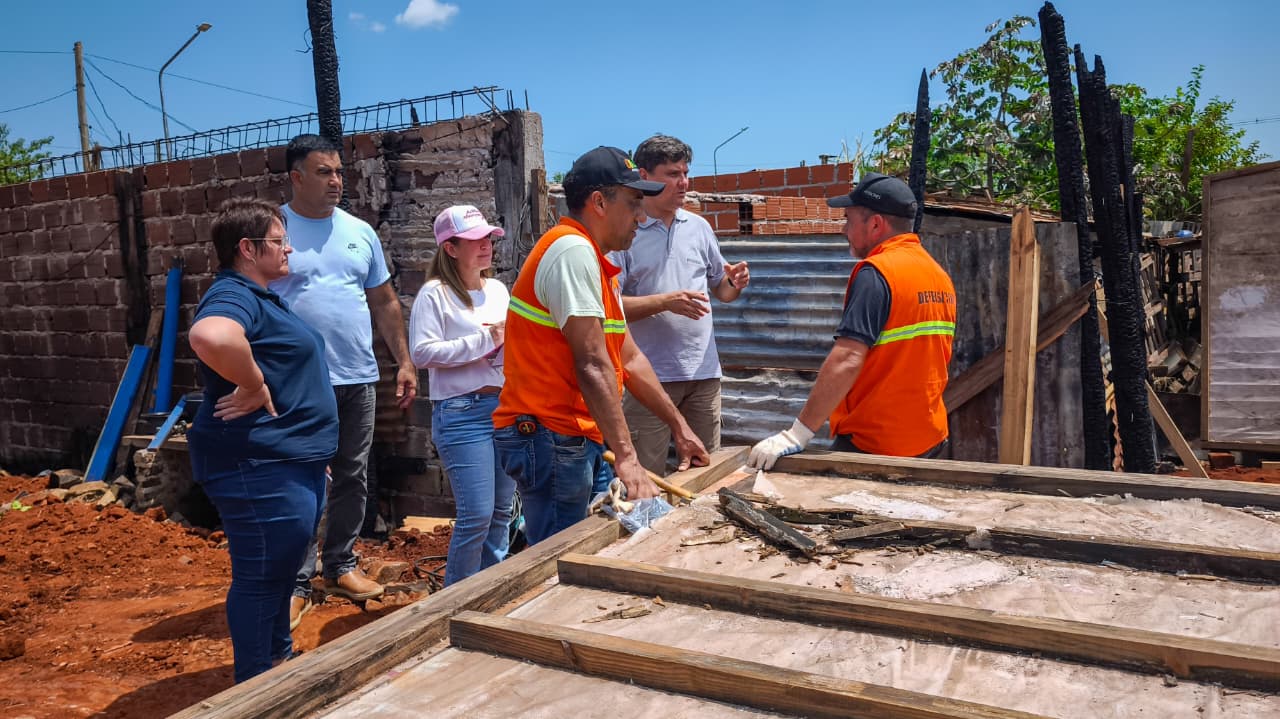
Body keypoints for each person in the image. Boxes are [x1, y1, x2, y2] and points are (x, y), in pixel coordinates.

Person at [493, 146, 711, 545]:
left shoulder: (598, 262)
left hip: (572, 435)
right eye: (632, 204)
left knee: (583, 543)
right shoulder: (572, 252)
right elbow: (591, 363)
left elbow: (629, 358)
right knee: (557, 559)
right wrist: (628, 458)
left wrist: (680, 428)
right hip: (551, 434)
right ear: (598, 202)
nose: (640, 217)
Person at [187, 198, 338, 683]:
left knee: (279, 569)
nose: (288, 248)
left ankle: (277, 661)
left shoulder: (264, 297)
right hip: (255, 464)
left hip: (289, 461)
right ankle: (255, 686)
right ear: (247, 249)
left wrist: (313, 456)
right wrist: (252, 384)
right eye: (278, 241)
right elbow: (211, 336)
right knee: (262, 575)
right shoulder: (233, 295)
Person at [269, 134, 418, 626]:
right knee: (302, 480)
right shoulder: (274, 231)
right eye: (323, 172)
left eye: (339, 171)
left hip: (357, 375)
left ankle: (339, 565)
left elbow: (384, 301)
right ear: (295, 177)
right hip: (298, 381)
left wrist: (404, 361)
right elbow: (250, 301)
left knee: (353, 473)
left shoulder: (359, 232)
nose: (336, 181)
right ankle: (294, 579)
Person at [748, 173, 956, 470]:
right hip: (928, 439)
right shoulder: (937, 274)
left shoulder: (877, 273)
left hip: (878, 444)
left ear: (874, 224)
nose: (844, 229)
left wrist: (797, 433)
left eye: (848, 219)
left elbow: (847, 358)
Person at [608, 135, 750, 476]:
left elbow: (721, 290)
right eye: (672, 174)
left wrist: (735, 283)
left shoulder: (698, 227)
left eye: (686, 173)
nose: (683, 182)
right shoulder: (627, 230)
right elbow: (608, 306)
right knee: (647, 480)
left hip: (703, 375)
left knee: (707, 475)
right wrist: (665, 302)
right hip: (649, 380)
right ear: (645, 174)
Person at [408, 205, 515, 586]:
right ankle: (455, 600)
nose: (486, 245)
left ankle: (490, 590)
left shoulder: (499, 290)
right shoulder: (434, 295)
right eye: (475, 240)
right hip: (462, 412)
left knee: (502, 509)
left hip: (503, 408)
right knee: (478, 514)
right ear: (450, 248)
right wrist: (485, 340)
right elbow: (422, 353)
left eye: (488, 238)